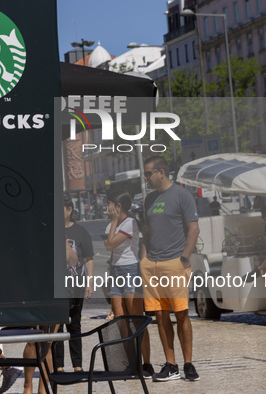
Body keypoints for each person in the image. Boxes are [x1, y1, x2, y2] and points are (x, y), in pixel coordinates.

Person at [140, 156, 201, 382]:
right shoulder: (149, 200)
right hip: (152, 266)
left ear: (161, 172)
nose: (146, 178)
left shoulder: (182, 195)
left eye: (148, 173)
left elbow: (193, 229)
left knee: (182, 313)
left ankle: (188, 364)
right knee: (160, 314)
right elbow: (146, 232)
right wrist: (143, 260)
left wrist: (184, 258)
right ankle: (171, 364)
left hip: (174, 263)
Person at [104, 189, 154, 378]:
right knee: (121, 321)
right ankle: (132, 363)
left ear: (118, 206)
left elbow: (110, 245)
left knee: (137, 320)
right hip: (116, 271)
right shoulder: (113, 224)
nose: (106, 207)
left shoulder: (130, 223)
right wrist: (109, 275)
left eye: (110, 203)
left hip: (131, 270)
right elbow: (111, 252)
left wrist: (114, 221)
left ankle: (147, 364)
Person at [56, 195, 94, 373]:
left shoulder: (80, 232)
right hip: (57, 286)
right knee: (57, 326)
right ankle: (59, 366)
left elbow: (88, 259)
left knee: (75, 324)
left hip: (76, 284)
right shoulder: (53, 230)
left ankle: (77, 366)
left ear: (69, 210)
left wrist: (90, 282)